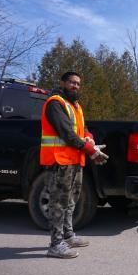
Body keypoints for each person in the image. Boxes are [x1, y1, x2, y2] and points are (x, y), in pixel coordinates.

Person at [40, 71, 108, 259]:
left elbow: (82, 130)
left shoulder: (75, 106)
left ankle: (68, 236)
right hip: (59, 161)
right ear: (63, 83)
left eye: (78, 83)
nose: (75, 86)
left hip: (74, 162)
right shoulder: (55, 103)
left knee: (71, 201)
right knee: (58, 203)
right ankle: (55, 245)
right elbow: (67, 133)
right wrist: (90, 150)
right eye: (71, 82)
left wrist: (90, 139)